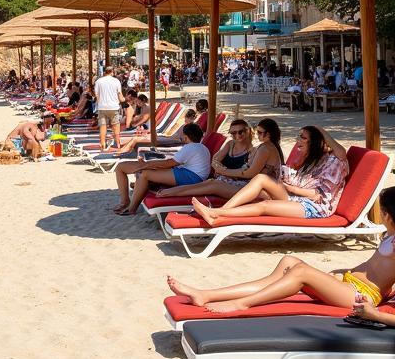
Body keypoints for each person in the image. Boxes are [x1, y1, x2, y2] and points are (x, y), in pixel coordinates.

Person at [168, 187, 395, 315]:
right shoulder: (389, 234)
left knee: (301, 273)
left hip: (358, 296)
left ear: (387, 215)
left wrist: (377, 311)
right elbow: (377, 267)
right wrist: (344, 273)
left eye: (381, 209)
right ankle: (206, 294)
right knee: (289, 261)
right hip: (348, 283)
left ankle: (242, 303)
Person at [194, 124, 348, 225]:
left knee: (264, 205)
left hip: (316, 206)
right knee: (261, 181)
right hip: (298, 197)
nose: (297, 140)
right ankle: (220, 214)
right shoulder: (314, 159)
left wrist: (320, 130)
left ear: (314, 142)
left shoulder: (333, 161)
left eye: (303, 137)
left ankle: (218, 215)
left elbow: (317, 195)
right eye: (298, 136)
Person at [155, 118, 283, 200]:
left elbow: (249, 173)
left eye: (241, 132)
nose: (237, 135)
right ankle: (169, 192)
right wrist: (222, 170)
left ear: (248, 131)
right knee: (210, 183)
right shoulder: (233, 145)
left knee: (213, 185)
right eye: (233, 133)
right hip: (242, 183)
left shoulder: (261, 149)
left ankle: (170, 193)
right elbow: (215, 160)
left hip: (254, 189)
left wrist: (223, 171)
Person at [113, 123, 210, 215]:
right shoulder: (202, 147)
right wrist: (149, 165)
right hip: (191, 175)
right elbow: (172, 163)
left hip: (191, 178)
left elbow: (168, 164)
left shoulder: (190, 147)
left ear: (185, 137)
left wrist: (147, 165)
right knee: (145, 172)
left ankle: (131, 208)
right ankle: (130, 203)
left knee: (144, 174)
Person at [107, 108, 198, 156]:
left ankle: (123, 150)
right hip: (169, 139)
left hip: (172, 141)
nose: (184, 119)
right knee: (140, 138)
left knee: (136, 139)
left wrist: (164, 137)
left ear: (189, 118)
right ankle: (123, 148)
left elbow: (180, 139)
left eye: (186, 117)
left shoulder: (187, 127)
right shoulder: (187, 126)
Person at [93, 67, 125, 151]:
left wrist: (100, 103)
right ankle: (118, 144)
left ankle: (102, 144)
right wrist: (124, 100)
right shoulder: (116, 81)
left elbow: (97, 95)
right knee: (115, 126)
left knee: (103, 126)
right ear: (112, 72)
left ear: (105, 72)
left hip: (102, 107)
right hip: (114, 107)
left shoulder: (98, 81)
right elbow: (119, 94)